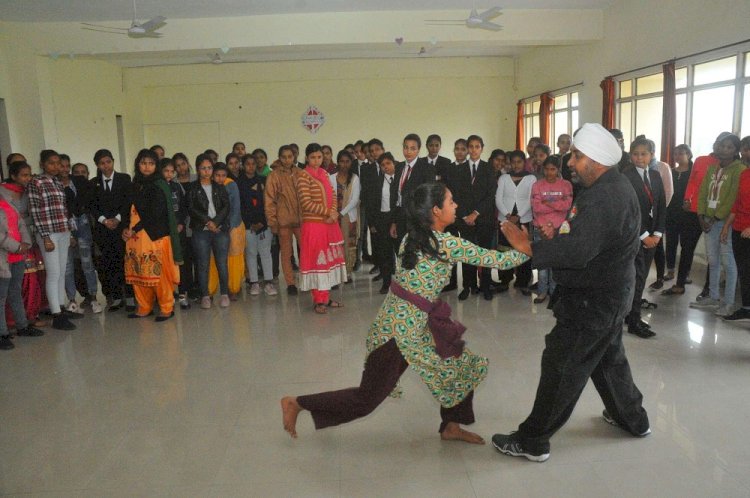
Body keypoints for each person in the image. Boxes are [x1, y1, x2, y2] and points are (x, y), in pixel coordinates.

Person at [281, 182, 529, 441]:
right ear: (435, 210)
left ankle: (451, 426)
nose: (456, 205)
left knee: (460, 366)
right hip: (399, 333)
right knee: (366, 400)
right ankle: (296, 403)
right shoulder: (443, 243)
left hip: (415, 323)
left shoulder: (416, 236)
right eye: (451, 201)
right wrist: (525, 249)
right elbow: (496, 260)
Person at [493, 122, 651, 463]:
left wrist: (531, 247)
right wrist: (559, 235)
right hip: (609, 294)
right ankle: (633, 419)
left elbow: (580, 252)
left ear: (595, 159)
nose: (571, 163)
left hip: (593, 300)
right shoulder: (611, 186)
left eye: (577, 156)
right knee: (608, 359)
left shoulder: (606, 196)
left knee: (561, 364)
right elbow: (588, 239)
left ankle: (533, 440)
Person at [691, 134, 746, 317]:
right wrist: (700, 215)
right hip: (707, 220)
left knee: (728, 263)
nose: (724, 150)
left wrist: (715, 218)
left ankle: (728, 302)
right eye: (722, 146)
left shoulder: (739, 170)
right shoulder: (712, 168)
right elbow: (702, 192)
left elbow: (732, 198)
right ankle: (713, 297)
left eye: (729, 147)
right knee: (712, 260)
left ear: (736, 151)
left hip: (725, 222)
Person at [123, 149, 182, 321]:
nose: (147, 167)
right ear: (137, 165)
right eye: (143, 163)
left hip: (154, 235)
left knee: (158, 274)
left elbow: (155, 213)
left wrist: (134, 229)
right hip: (134, 238)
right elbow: (127, 208)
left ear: (156, 165)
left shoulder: (159, 184)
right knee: (139, 273)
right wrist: (126, 229)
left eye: (151, 163)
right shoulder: (135, 184)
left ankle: (166, 307)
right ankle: (144, 306)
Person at [28, 150, 78, 330]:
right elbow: (35, 211)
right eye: (51, 163)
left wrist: (70, 233)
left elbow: (64, 209)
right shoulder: (36, 182)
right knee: (54, 273)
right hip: (48, 233)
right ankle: (56, 314)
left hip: (63, 231)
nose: (55, 166)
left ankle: (62, 308)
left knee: (62, 272)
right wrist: (45, 236)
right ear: (42, 164)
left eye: (58, 163)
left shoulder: (57, 182)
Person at [622, 137, 666, 338]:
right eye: (636, 154)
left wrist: (657, 233)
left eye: (644, 154)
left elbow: (661, 206)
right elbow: (628, 211)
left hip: (653, 236)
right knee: (636, 278)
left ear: (652, 155)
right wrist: (644, 235)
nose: (639, 157)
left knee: (642, 275)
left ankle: (632, 314)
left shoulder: (656, 176)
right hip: (635, 235)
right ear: (631, 155)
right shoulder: (626, 176)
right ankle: (633, 320)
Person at [296, 143, 347, 313]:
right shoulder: (303, 176)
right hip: (314, 226)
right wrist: (327, 213)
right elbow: (306, 203)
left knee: (327, 263)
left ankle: (326, 297)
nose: (316, 160)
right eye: (313, 157)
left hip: (328, 225)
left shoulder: (324, 173)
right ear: (306, 158)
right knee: (317, 263)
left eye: (319, 157)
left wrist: (333, 213)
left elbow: (332, 194)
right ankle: (318, 300)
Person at [445, 135, 497, 301]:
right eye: (471, 147)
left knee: (484, 253)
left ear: (482, 148)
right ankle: (468, 285)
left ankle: (486, 286)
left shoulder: (489, 168)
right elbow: (455, 195)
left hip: (484, 218)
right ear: (467, 149)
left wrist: (476, 213)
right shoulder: (459, 170)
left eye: (477, 146)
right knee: (468, 253)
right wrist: (465, 215)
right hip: (464, 219)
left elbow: (491, 195)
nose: (474, 150)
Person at [0, 161, 44, 349]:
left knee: (15, 292)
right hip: (4, 255)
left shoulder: (6, 199)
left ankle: (22, 326)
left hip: (18, 253)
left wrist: (25, 243)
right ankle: (2, 334)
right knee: (1, 297)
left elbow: (20, 223)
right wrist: (16, 246)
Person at [683, 132, 731, 300]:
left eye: (726, 146)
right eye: (719, 144)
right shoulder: (702, 160)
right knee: (687, 247)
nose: (720, 148)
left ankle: (708, 290)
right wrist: (687, 199)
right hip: (695, 211)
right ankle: (680, 282)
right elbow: (693, 182)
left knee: (714, 256)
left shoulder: (730, 166)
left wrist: (715, 217)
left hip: (715, 216)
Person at [90, 149, 134, 312]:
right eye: (102, 163)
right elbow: (92, 206)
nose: (106, 165)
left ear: (113, 161)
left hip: (121, 228)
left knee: (126, 261)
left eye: (108, 161)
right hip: (104, 230)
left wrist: (117, 218)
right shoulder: (93, 183)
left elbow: (128, 201)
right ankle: (115, 297)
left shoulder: (124, 178)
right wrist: (104, 220)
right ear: (97, 165)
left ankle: (130, 296)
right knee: (110, 263)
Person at [59, 157, 101, 314]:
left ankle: (94, 297)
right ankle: (72, 300)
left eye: (66, 166)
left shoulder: (78, 181)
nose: (63, 169)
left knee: (87, 264)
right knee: (68, 266)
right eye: (60, 166)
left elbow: (86, 200)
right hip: (63, 226)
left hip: (81, 223)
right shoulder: (53, 184)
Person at [188, 154, 230, 309]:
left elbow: (226, 207)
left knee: (221, 263)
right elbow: (191, 209)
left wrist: (216, 222)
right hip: (201, 230)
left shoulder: (220, 186)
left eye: (209, 168)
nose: (207, 171)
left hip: (220, 230)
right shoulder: (192, 188)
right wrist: (207, 222)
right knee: (203, 264)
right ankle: (205, 295)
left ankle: (224, 294)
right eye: (203, 168)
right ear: (198, 170)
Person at [530, 156, 572, 304]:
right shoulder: (537, 185)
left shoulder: (566, 185)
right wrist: (555, 204)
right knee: (542, 263)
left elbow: (567, 206)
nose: (549, 172)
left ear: (558, 169)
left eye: (553, 169)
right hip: (540, 228)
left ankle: (554, 293)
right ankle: (541, 292)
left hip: (559, 229)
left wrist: (547, 202)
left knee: (556, 263)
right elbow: (536, 207)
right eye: (546, 169)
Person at [662, 145, 700, 296]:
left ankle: (684, 276)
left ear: (689, 154)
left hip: (689, 216)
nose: (677, 156)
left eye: (681, 153)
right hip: (671, 214)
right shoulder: (670, 172)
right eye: (675, 154)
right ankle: (670, 270)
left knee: (687, 246)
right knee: (670, 243)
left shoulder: (694, 173)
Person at [495, 150, 536, 293]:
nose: (516, 165)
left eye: (519, 161)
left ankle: (522, 282)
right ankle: (505, 280)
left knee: (524, 249)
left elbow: (531, 199)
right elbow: (498, 198)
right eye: (513, 162)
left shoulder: (531, 178)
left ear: (524, 162)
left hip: (523, 218)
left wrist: (517, 216)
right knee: (504, 250)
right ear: (509, 163)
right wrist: (507, 215)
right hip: (505, 219)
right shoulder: (503, 178)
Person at [238, 154, 277, 296]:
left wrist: (263, 222)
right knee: (251, 253)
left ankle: (268, 282)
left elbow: (268, 203)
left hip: (264, 224)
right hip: (247, 225)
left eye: (253, 163)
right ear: (243, 165)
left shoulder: (264, 181)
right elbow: (240, 206)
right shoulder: (238, 183)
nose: (251, 166)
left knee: (266, 252)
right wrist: (250, 223)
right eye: (247, 164)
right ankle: (254, 282)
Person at [265, 145, 302, 295]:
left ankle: (307, 278)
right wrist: (272, 221)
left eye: (290, 156)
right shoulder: (274, 176)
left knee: (305, 251)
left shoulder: (300, 173)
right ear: (279, 158)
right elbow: (269, 200)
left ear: (294, 157)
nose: (287, 160)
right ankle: (290, 283)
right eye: (284, 157)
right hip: (283, 221)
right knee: (286, 253)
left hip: (301, 220)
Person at [207, 163, 245, 300]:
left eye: (223, 175)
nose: (220, 178)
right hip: (212, 227)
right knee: (212, 258)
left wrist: (228, 227)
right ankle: (209, 290)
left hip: (233, 227)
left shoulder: (231, 185)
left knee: (232, 257)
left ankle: (233, 288)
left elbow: (236, 208)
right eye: (217, 175)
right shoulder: (207, 186)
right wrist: (213, 225)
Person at [392, 134, 436, 243]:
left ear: (418, 150)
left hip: (418, 220)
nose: (408, 151)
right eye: (405, 147)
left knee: (416, 253)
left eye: (412, 148)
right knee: (400, 251)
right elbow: (396, 196)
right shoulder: (398, 167)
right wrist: (394, 221)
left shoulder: (427, 168)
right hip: (401, 217)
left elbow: (429, 196)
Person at [721, 162, 750, 322]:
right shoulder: (745, 174)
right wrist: (726, 226)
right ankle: (746, 308)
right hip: (739, 228)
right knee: (744, 271)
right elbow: (737, 203)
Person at [366, 152, 399, 294]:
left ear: (394, 163)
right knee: (385, 253)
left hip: (398, 220)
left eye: (388, 163)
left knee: (400, 251)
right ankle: (386, 282)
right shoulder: (377, 181)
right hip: (382, 220)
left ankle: (405, 283)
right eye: (383, 165)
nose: (386, 167)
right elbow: (371, 204)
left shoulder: (400, 179)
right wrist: (372, 223)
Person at [161, 158, 191, 309]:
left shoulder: (176, 186)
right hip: (164, 233)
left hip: (179, 231)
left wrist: (180, 224)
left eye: (172, 171)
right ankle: (168, 294)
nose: (169, 174)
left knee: (182, 262)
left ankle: (183, 293)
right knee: (166, 263)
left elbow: (184, 207)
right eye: (166, 171)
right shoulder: (157, 187)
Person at [330, 150, 361, 280]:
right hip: (332, 217)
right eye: (342, 161)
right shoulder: (331, 178)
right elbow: (329, 197)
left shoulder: (354, 178)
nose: (344, 164)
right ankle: (336, 272)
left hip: (348, 217)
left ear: (351, 163)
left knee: (348, 245)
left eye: (347, 161)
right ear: (338, 162)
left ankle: (347, 272)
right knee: (335, 245)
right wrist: (334, 213)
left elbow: (354, 200)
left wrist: (341, 213)